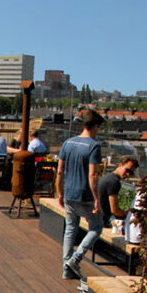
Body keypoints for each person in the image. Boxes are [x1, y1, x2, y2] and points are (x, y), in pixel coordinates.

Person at [56, 109, 105, 279]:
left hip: (69, 192)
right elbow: (93, 175)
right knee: (97, 227)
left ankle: (66, 269)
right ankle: (75, 259)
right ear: (96, 126)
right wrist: (97, 199)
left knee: (70, 228)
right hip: (85, 195)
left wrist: (60, 193)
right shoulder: (94, 146)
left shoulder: (68, 143)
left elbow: (60, 171)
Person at [97, 155, 138, 228]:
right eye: (127, 170)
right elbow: (115, 210)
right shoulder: (114, 182)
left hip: (97, 218)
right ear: (120, 165)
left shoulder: (108, 177)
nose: (128, 174)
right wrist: (128, 214)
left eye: (131, 173)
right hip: (103, 221)